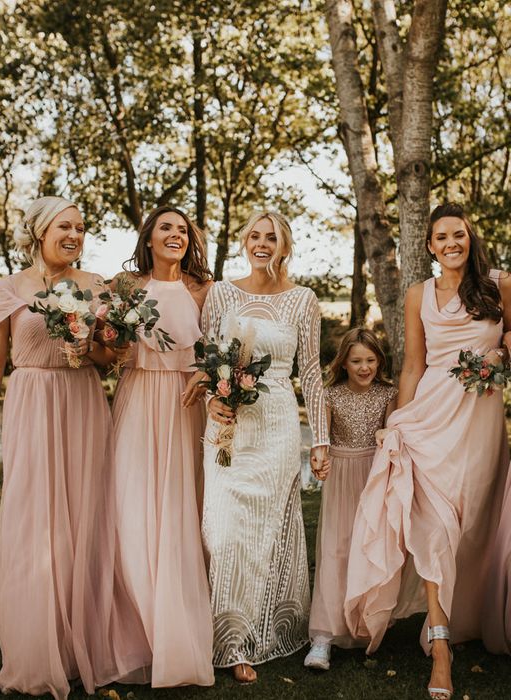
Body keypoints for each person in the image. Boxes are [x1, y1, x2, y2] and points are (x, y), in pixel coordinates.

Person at [0, 196, 149, 700]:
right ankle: (39, 647)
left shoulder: (96, 285)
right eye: (64, 227)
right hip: (31, 403)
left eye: (81, 227)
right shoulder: (8, 289)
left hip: (82, 403)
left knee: (86, 517)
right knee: (36, 522)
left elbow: (110, 356)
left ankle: (83, 645)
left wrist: (94, 349)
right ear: (39, 232)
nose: (74, 235)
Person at [344, 203, 511, 700]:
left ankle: (470, 617)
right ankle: (440, 647)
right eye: (441, 237)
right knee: (434, 526)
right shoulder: (419, 293)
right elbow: (414, 366)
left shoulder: (499, 284)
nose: (450, 243)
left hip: (480, 421)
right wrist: (397, 420)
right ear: (430, 246)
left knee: (473, 524)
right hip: (432, 416)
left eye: (458, 234)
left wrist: (500, 353)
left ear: (470, 237)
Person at [196, 209, 329, 683]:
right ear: (244, 242)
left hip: (276, 426)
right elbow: (203, 358)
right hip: (229, 427)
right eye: (254, 235)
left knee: (265, 531)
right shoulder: (222, 293)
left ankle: (249, 639)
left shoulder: (302, 300)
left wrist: (322, 439)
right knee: (224, 528)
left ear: (284, 245)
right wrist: (213, 398)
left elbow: (310, 373)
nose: (261, 243)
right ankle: (225, 636)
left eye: (271, 237)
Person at [108, 206, 215, 687]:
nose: (176, 235)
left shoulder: (203, 289)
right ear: (148, 237)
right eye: (165, 227)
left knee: (181, 510)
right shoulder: (125, 286)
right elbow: (106, 347)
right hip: (136, 399)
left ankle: (181, 630)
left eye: (182, 229)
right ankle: (136, 631)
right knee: (131, 508)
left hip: (184, 404)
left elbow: (216, 351)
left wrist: (208, 377)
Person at [304, 328, 397, 671]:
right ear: (343, 362)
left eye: (371, 360)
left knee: (370, 547)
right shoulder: (332, 395)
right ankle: (323, 636)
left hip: (374, 475)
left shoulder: (388, 393)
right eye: (356, 360)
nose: (364, 367)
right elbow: (322, 439)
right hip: (342, 473)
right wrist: (320, 457)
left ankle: (365, 622)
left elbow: (393, 433)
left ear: (379, 361)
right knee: (335, 548)